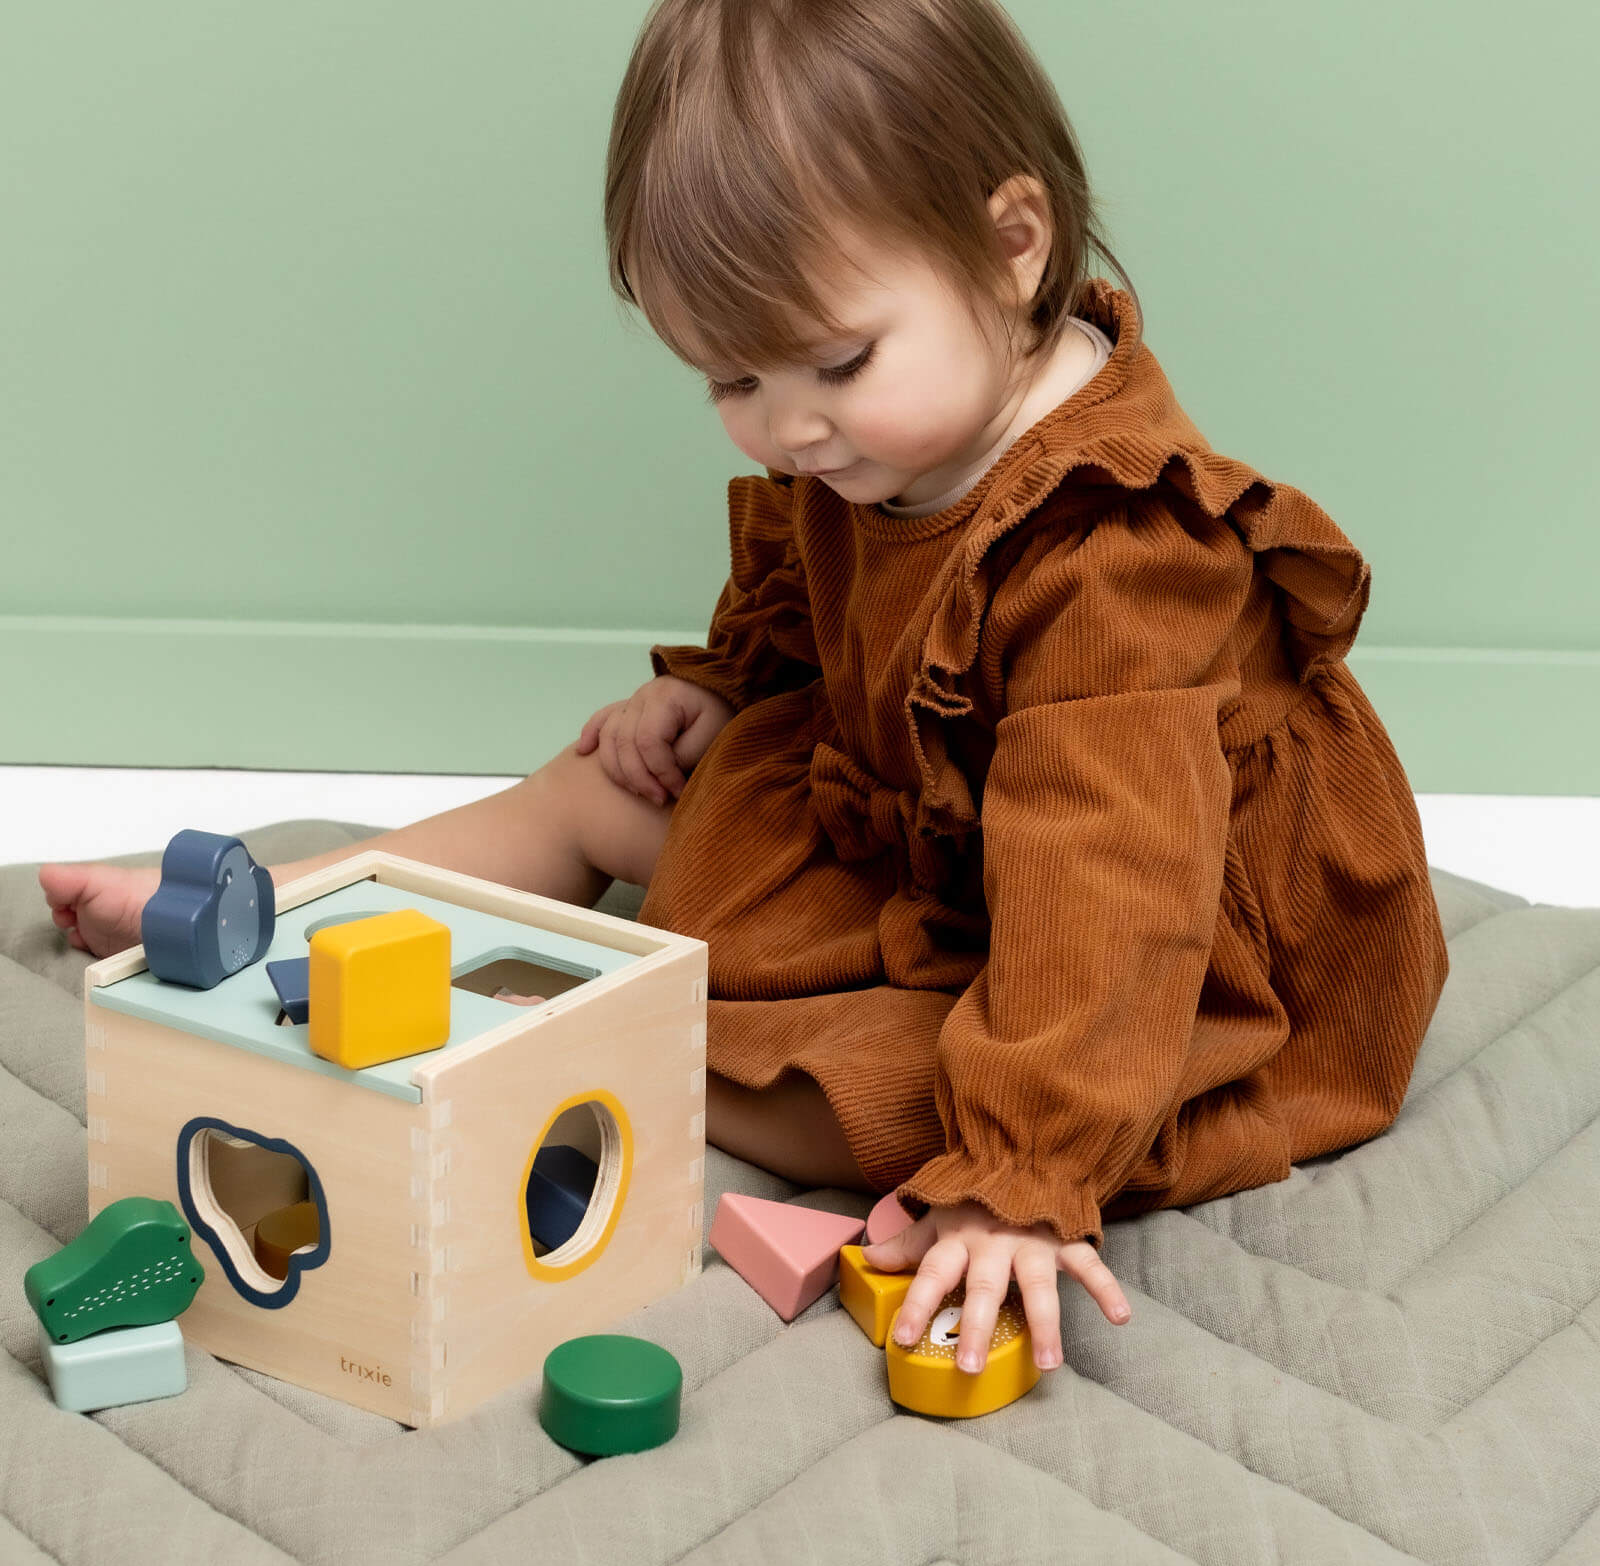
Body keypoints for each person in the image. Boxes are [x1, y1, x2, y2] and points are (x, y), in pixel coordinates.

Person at [39, 0, 1450, 1383]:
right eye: (732, 376)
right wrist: (726, 690)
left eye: (835, 364)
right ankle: (285, 904)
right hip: (943, 827)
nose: (790, 426)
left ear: (1013, 247)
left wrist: (1021, 1176)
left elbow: (1114, 890)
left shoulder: (1116, 562)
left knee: (880, 1087)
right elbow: (823, 584)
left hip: (1144, 940)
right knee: (603, 786)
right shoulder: (877, 432)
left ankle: (584, 1052)